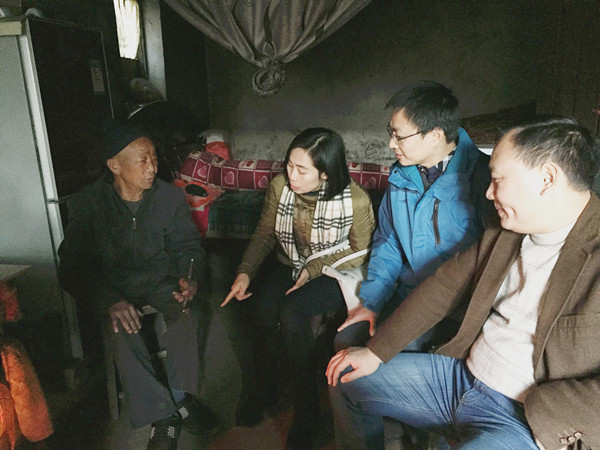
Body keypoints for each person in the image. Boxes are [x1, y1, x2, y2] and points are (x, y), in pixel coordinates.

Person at [326, 117, 600, 450]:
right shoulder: (505, 229)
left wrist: (547, 423)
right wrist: (375, 352)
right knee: (345, 378)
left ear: (547, 179)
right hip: (461, 378)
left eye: (497, 180)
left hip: (526, 420)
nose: (488, 192)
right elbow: (443, 287)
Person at [58, 123, 217, 450]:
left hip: (160, 279)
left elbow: (188, 247)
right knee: (121, 325)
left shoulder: (169, 196)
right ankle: (165, 415)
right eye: (142, 160)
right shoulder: (88, 203)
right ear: (114, 166)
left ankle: (178, 396)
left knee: (189, 310)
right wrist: (109, 300)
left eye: (154, 158)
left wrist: (190, 277)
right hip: (113, 286)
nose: (153, 167)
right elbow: (73, 267)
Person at [221, 128, 375, 449]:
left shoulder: (355, 200)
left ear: (325, 173)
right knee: (262, 311)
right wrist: (245, 272)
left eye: (302, 170)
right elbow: (265, 233)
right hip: (289, 261)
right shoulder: (281, 187)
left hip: (335, 270)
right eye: (289, 165)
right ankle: (262, 387)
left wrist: (314, 268)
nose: (292, 175)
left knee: (292, 311)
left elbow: (361, 250)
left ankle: (307, 408)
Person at [334, 81, 493, 353]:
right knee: (346, 341)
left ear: (435, 135)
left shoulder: (482, 178)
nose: (391, 144)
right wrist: (371, 303)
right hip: (409, 294)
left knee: (385, 355)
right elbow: (389, 242)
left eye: (399, 136)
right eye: (391, 133)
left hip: (456, 307)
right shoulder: (401, 176)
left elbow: (492, 258)